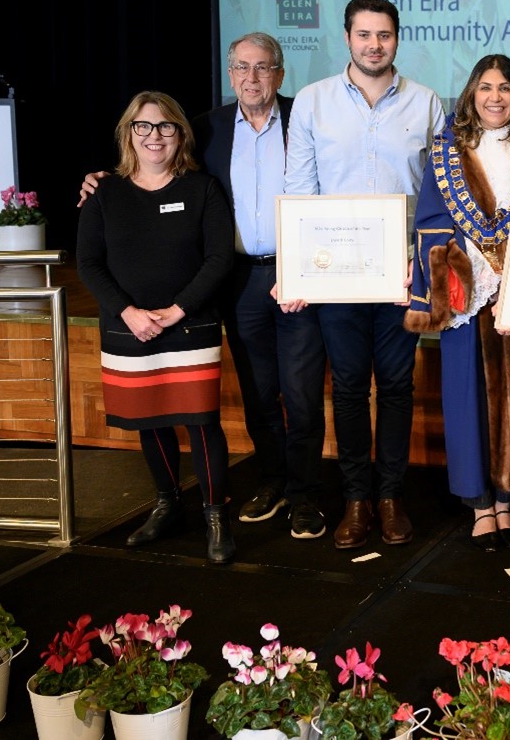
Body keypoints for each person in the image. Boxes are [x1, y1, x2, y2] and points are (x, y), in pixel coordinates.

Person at [79, 35, 329, 540]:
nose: (252, 78)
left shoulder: (308, 119)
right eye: (241, 67)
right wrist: (99, 179)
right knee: (260, 394)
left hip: (299, 271)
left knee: (300, 392)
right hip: (238, 277)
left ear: (280, 74)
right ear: (230, 74)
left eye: (263, 68)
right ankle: (274, 482)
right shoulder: (207, 127)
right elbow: (154, 154)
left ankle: (304, 496)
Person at [284, 0, 446, 550]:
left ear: (397, 38)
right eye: (364, 35)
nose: (375, 45)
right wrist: (299, 270)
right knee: (350, 388)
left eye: (385, 35)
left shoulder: (426, 103)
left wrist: (421, 266)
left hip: (401, 276)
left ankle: (390, 497)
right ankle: (355, 499)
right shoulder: (312, 102)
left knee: (397, 387)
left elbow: (438, 195)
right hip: (337, 277)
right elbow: (300, 189)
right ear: (347, 37)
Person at [405, 55, 510, 551]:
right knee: (467, 396)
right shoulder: (444, 153)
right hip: (468, 292)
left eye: (504, 87)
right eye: (485, 87)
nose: (494, 97)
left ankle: (509, 499)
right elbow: (431, 221)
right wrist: (476, 266)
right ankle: (479, 504)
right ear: (471, 94)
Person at [77, 91, 236, 563]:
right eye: (143, 127)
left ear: (180, 135)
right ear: (129, 133)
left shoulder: (202, 189)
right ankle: (168, 505)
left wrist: (177, 309)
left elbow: (218, 258)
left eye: (165, 126)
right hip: (129, 328)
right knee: (151, 421)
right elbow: (88, 263)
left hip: (190, 326)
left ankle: (215, 516)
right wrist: (128, 312)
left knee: (201, 422)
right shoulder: (104, 192)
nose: (154, 136)